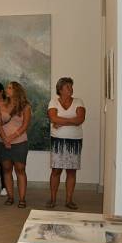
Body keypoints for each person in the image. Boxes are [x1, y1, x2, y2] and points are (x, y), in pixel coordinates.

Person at [48, 77, 86, 210]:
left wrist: (61, 121)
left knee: (71, 171)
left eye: (71, 86)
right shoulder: (53, 102)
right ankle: (53, 199)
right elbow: (53, 118)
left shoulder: (78, 101)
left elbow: (80, 119)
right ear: (60, 89)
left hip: (74, 141)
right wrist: (71, 121)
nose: (71, 89)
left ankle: (69, 200)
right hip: (57, 140)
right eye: (67, 87)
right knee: (56, 170)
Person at [0, 81, 31, 208]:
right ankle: (10, 197)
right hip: (3, 143)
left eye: (10, 88)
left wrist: (11, 138)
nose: (7, 89)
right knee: (6, 169)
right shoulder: (0, 105)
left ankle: (22, 199)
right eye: (7, 87)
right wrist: (5, 139)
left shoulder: (25, 106)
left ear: (17, 90)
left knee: (20, 170)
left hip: (20, 143)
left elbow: (25, 125)